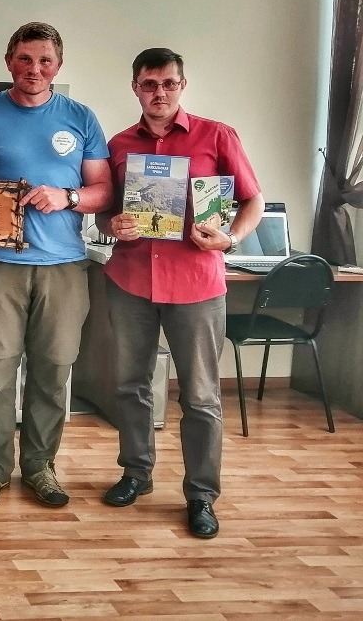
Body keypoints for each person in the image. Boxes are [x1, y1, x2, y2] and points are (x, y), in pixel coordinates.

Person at [96, 48, 263, 539]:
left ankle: (201, 495)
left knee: (201, 396)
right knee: (130, 385)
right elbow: (104, 211)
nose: (159, 92)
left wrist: (231, 239)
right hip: (131, 280)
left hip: (196, 283)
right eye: (149, 84)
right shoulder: (118, 144)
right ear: (136, 88)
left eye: (168, 83)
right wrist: (111, 225)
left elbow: (252, 199)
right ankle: (136, 473)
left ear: (182, 86)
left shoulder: (217, 135)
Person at [0, 22, 112, 508]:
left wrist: (67, 197)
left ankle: (40, 466)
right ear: (9, 62)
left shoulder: (81, 118)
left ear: (58, 66)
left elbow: (103, 192)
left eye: (45, 60)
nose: (34, 69)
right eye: (25, 58)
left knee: (53, 370)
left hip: (65, 266)